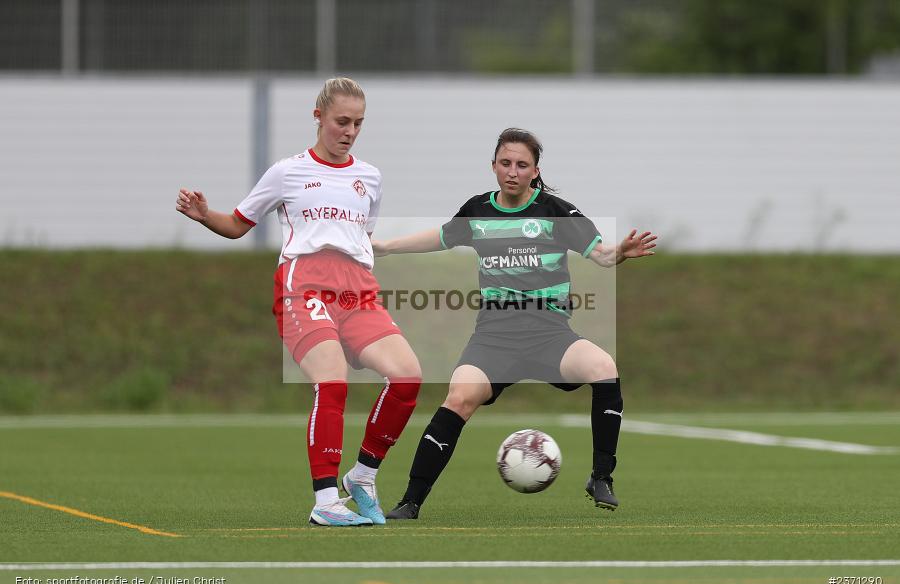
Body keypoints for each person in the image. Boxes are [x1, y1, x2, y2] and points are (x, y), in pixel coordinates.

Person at [371, 128, 657, 520]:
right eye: (505, 163)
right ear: (493, 166)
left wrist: (621, 253)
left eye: (522, 165)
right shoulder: (478, 211)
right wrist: (385, 247)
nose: (513, 171)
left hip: (550, 335)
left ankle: (601, 477)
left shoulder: (557, 213)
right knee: (458, 398)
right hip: (495, 339)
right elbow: (441, 237)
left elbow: (603, 256)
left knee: (604, 369)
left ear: (535, 171)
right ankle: (410, 501)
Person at [176, 77, 421, 527]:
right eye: (341, 121)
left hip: (357, 287)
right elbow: (236, 224)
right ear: (318, 117)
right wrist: (203, 214)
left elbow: (360, 237)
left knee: (408, 377)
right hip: (303, 282)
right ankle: (325, 501)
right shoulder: (287, 172)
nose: (349, 131)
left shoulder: (370, 177)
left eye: (358, 124)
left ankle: (362, 476)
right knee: (333, 380)